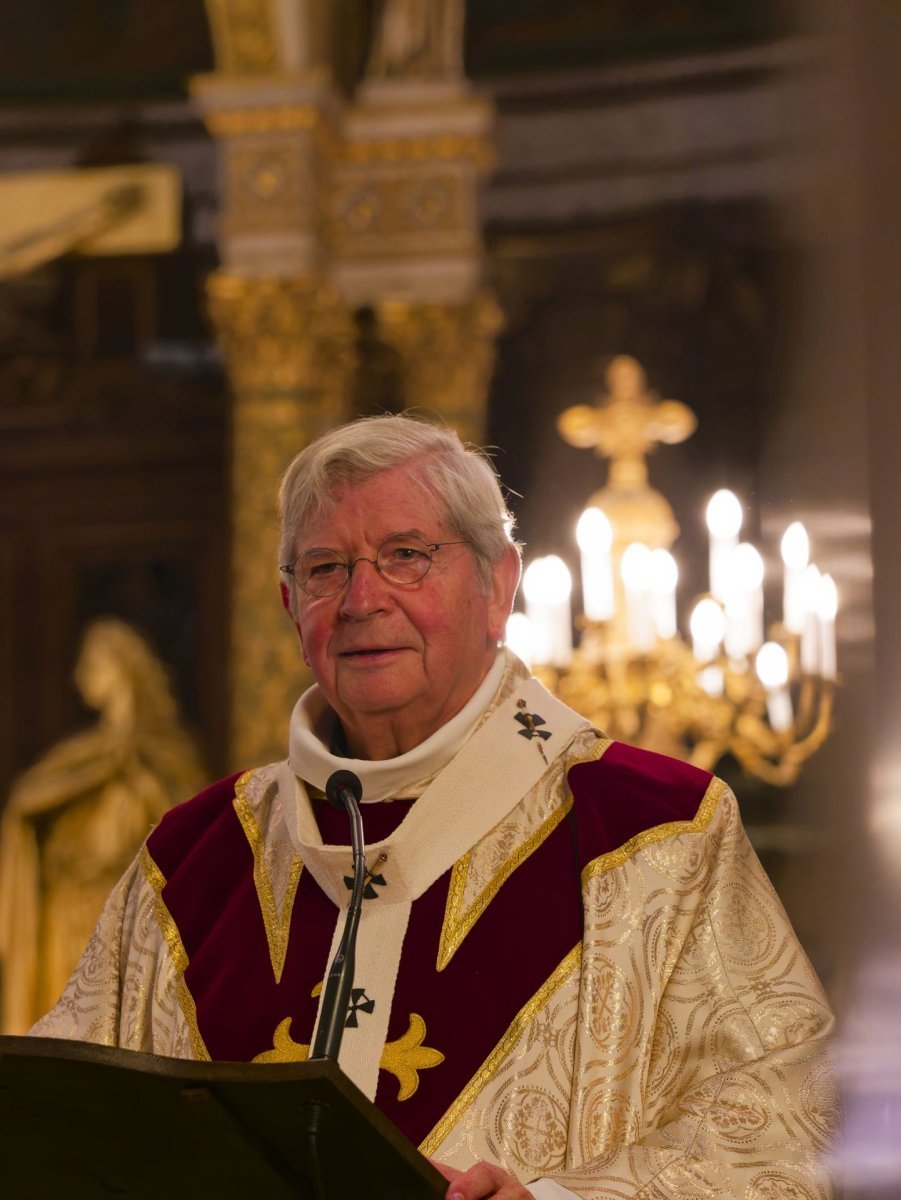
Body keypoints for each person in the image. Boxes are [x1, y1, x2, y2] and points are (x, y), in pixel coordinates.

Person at [31, 415, 836, 1200]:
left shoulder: (655, 830)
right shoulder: (195, 859)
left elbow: (781, 1132)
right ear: (289, 606)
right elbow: (51, 1119)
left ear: (497, 585)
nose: (360, 599)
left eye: (406, 557)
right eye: (325, 569)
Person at [0, 617, 205, 1034]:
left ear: (122, 666)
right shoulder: (77, 757)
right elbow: (29, 805)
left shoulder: (161, 756)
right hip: (65, 913)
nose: (81, 676)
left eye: (92, 663)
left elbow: (190, 835)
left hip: (127, 914)